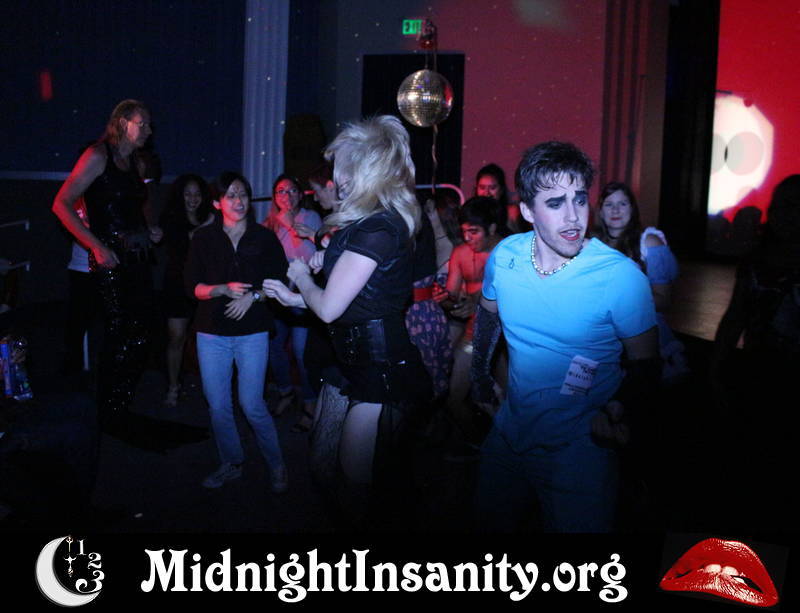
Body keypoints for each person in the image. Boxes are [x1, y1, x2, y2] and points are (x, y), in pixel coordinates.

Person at [470, 141, 660, 532]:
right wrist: (480, 380)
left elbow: (646, 363)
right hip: (509, 434)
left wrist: (619, 408)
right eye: (555, 203)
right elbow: (488, 317)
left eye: (580, 199)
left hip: (581, 447)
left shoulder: (621, 277)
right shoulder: (505, 256)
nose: (573, 216)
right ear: (527, 211)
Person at [263, 115, 432, 528]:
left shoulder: (379, 227)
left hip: (382, 372)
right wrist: (295, 297)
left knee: (359, 483)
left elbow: (329, 309)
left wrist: (302, 277)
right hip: (350, 365)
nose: (336, 180)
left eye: (341, 169)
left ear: (364, 169)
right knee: (325, 463)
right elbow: (356, 301)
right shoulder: (366, 223)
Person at [51, 99, 162, 440]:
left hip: (137, 257)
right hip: (111, 260)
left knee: (140, 333)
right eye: (143, 123)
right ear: (123, 122)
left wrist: (148, 230)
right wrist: (96, 246)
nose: (148, 130)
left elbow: (131, 210)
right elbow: (61, 204)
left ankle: (118, 406)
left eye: (149, 124)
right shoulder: (98, 155)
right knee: (118, 332)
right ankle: (108, 412)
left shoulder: (134, 162)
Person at [184, 171, 288, 492]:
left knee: (252, 403)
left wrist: (253, 297)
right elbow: (192, 287)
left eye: (242, 194)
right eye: (230, 195)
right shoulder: (203, 238)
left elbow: (280, 282)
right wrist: (221, 289)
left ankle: (277, 464)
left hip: (252, 332)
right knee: (218, 406)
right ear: (217, 203)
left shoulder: (264, 237)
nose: (239, 201)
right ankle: (232, 462)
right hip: (211, 332)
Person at [710, 174, 800, 530]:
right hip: (759, 374)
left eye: (794, 206)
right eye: (781, 205)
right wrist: (716, 369)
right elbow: (735, 316)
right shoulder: (756, 261)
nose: (785, 213)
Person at [594, 182, 689, 382]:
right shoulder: (594, 248)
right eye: (609, 204)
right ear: (600, 211)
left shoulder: (649, 242)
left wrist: (618, 302)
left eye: (622, 204)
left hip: (643, 337)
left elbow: (664, 300)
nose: (616, 210)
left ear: (632, 208)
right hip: (606, 341)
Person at [434, 197, 502, 450]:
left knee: (509, 401)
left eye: (474, 231)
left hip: (507, 339)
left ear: (491, 228)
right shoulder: (461, 253)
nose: (467, 237)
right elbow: (452, 297)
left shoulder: (507, 251)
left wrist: (477, 300)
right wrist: (446, 300)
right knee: (453, 396)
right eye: (464, 231)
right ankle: (480, 447)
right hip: (474, 334)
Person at [262, 175, 322, 431]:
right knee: (274, 347)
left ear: (300, 194)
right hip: (277, 294)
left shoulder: (311, 218)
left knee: (300, 350)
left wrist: (289, 226)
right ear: (275, 197)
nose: (286, 196)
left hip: (302, 294)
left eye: (292, 190)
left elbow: (306, 257)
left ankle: (309, 402)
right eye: (281, 191)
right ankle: (286, 391)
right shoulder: (269, 222)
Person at [159, 174, 214, 406]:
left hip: (204, 284)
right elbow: (187, 240)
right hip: (177, 284)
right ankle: (173, 387)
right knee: (176, 337)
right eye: (188, 194)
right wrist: (208, 224)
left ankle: (212, 390)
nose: (193, 198)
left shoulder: (210, 216)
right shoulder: (172, 217)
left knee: (207, 340)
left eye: (197, 194)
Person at [475, 163, 524, 234]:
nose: (486, 193)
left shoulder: (511, 212)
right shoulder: (471, 213)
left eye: (492, 188)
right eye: (482, 187)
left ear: (501, 189)